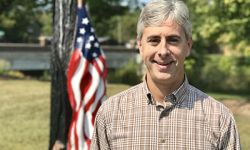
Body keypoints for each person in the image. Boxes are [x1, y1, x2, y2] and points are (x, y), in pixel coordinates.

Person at [90, 0, 241, 149]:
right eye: (154, 40)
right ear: (140, 46)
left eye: (173, 40)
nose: (163, 51)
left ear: (188, 46)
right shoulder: (110, 113)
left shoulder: (219, 118)